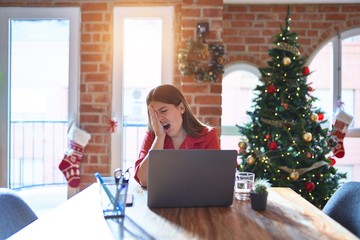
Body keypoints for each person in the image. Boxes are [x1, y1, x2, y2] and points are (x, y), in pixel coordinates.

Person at [134, 84, 221, 187]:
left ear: (181, 108)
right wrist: (159, 138)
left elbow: (217, 179)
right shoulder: (153, 136)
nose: (159, 119)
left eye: (163, 111)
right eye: (154, 114)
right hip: (163, 200)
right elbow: (144, 180)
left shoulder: (208, 136)